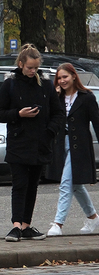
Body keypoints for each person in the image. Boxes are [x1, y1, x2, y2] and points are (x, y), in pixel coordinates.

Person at [0, 43, 64, 242]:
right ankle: (15, 225)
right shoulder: (11, 84)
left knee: (33, 186)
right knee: (20, 184)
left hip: (40, 143)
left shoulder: (46, 84)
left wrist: (50, 131)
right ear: (21, 64)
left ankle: (26, 225)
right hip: (19, 143)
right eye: (29, 68)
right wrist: (18, 114)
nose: (33, 71)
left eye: (35, 68)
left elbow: (58, 113)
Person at [45, 63, 99, 236]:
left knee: (66, 183)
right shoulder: (57, 98)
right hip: (61, 145)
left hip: (80, 147)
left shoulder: (87, 97)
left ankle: (58, 223)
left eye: (65, 77)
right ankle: (92, 217)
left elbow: (97, 123)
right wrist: (54, 96)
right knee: (75, 185)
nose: (62, 81)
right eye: (59, 78)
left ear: (74, 76)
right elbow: (49, 119)